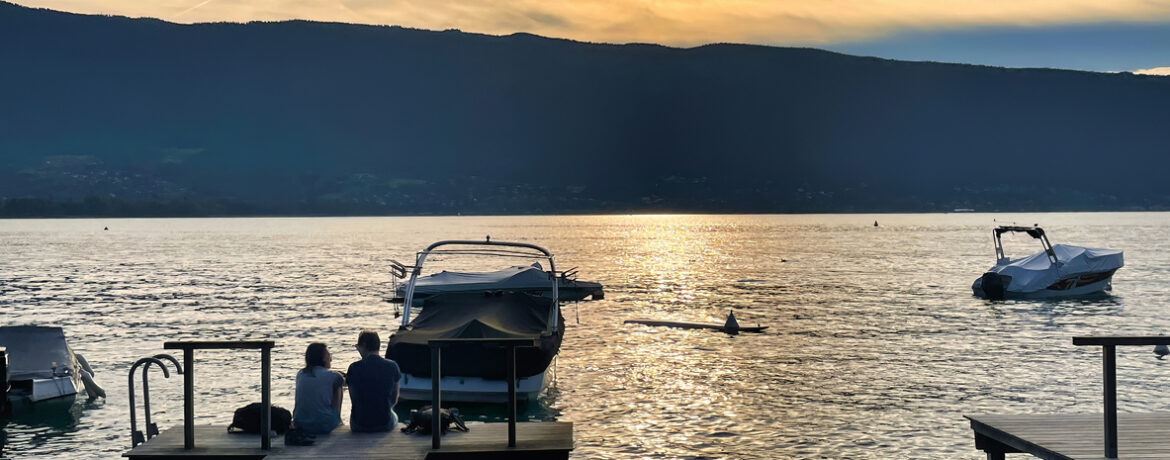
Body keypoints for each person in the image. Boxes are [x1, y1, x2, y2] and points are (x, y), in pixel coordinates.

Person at [346, 329, 402, 432]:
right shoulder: (392, 366)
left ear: (363, 345)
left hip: (359, 425)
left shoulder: (353, 367)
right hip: (384, 423)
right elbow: (394, 399)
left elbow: (354, 398)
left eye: (358, 346)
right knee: (394, 415)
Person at [292, 343, 344, 434]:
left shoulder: (300, 374)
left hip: (300, 424)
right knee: (338, 386)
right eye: (329, 355)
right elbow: (345, 381)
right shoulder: (334, 376)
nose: (331, 358)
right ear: (323, 358)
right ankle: (338, 420)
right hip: (324, 426)